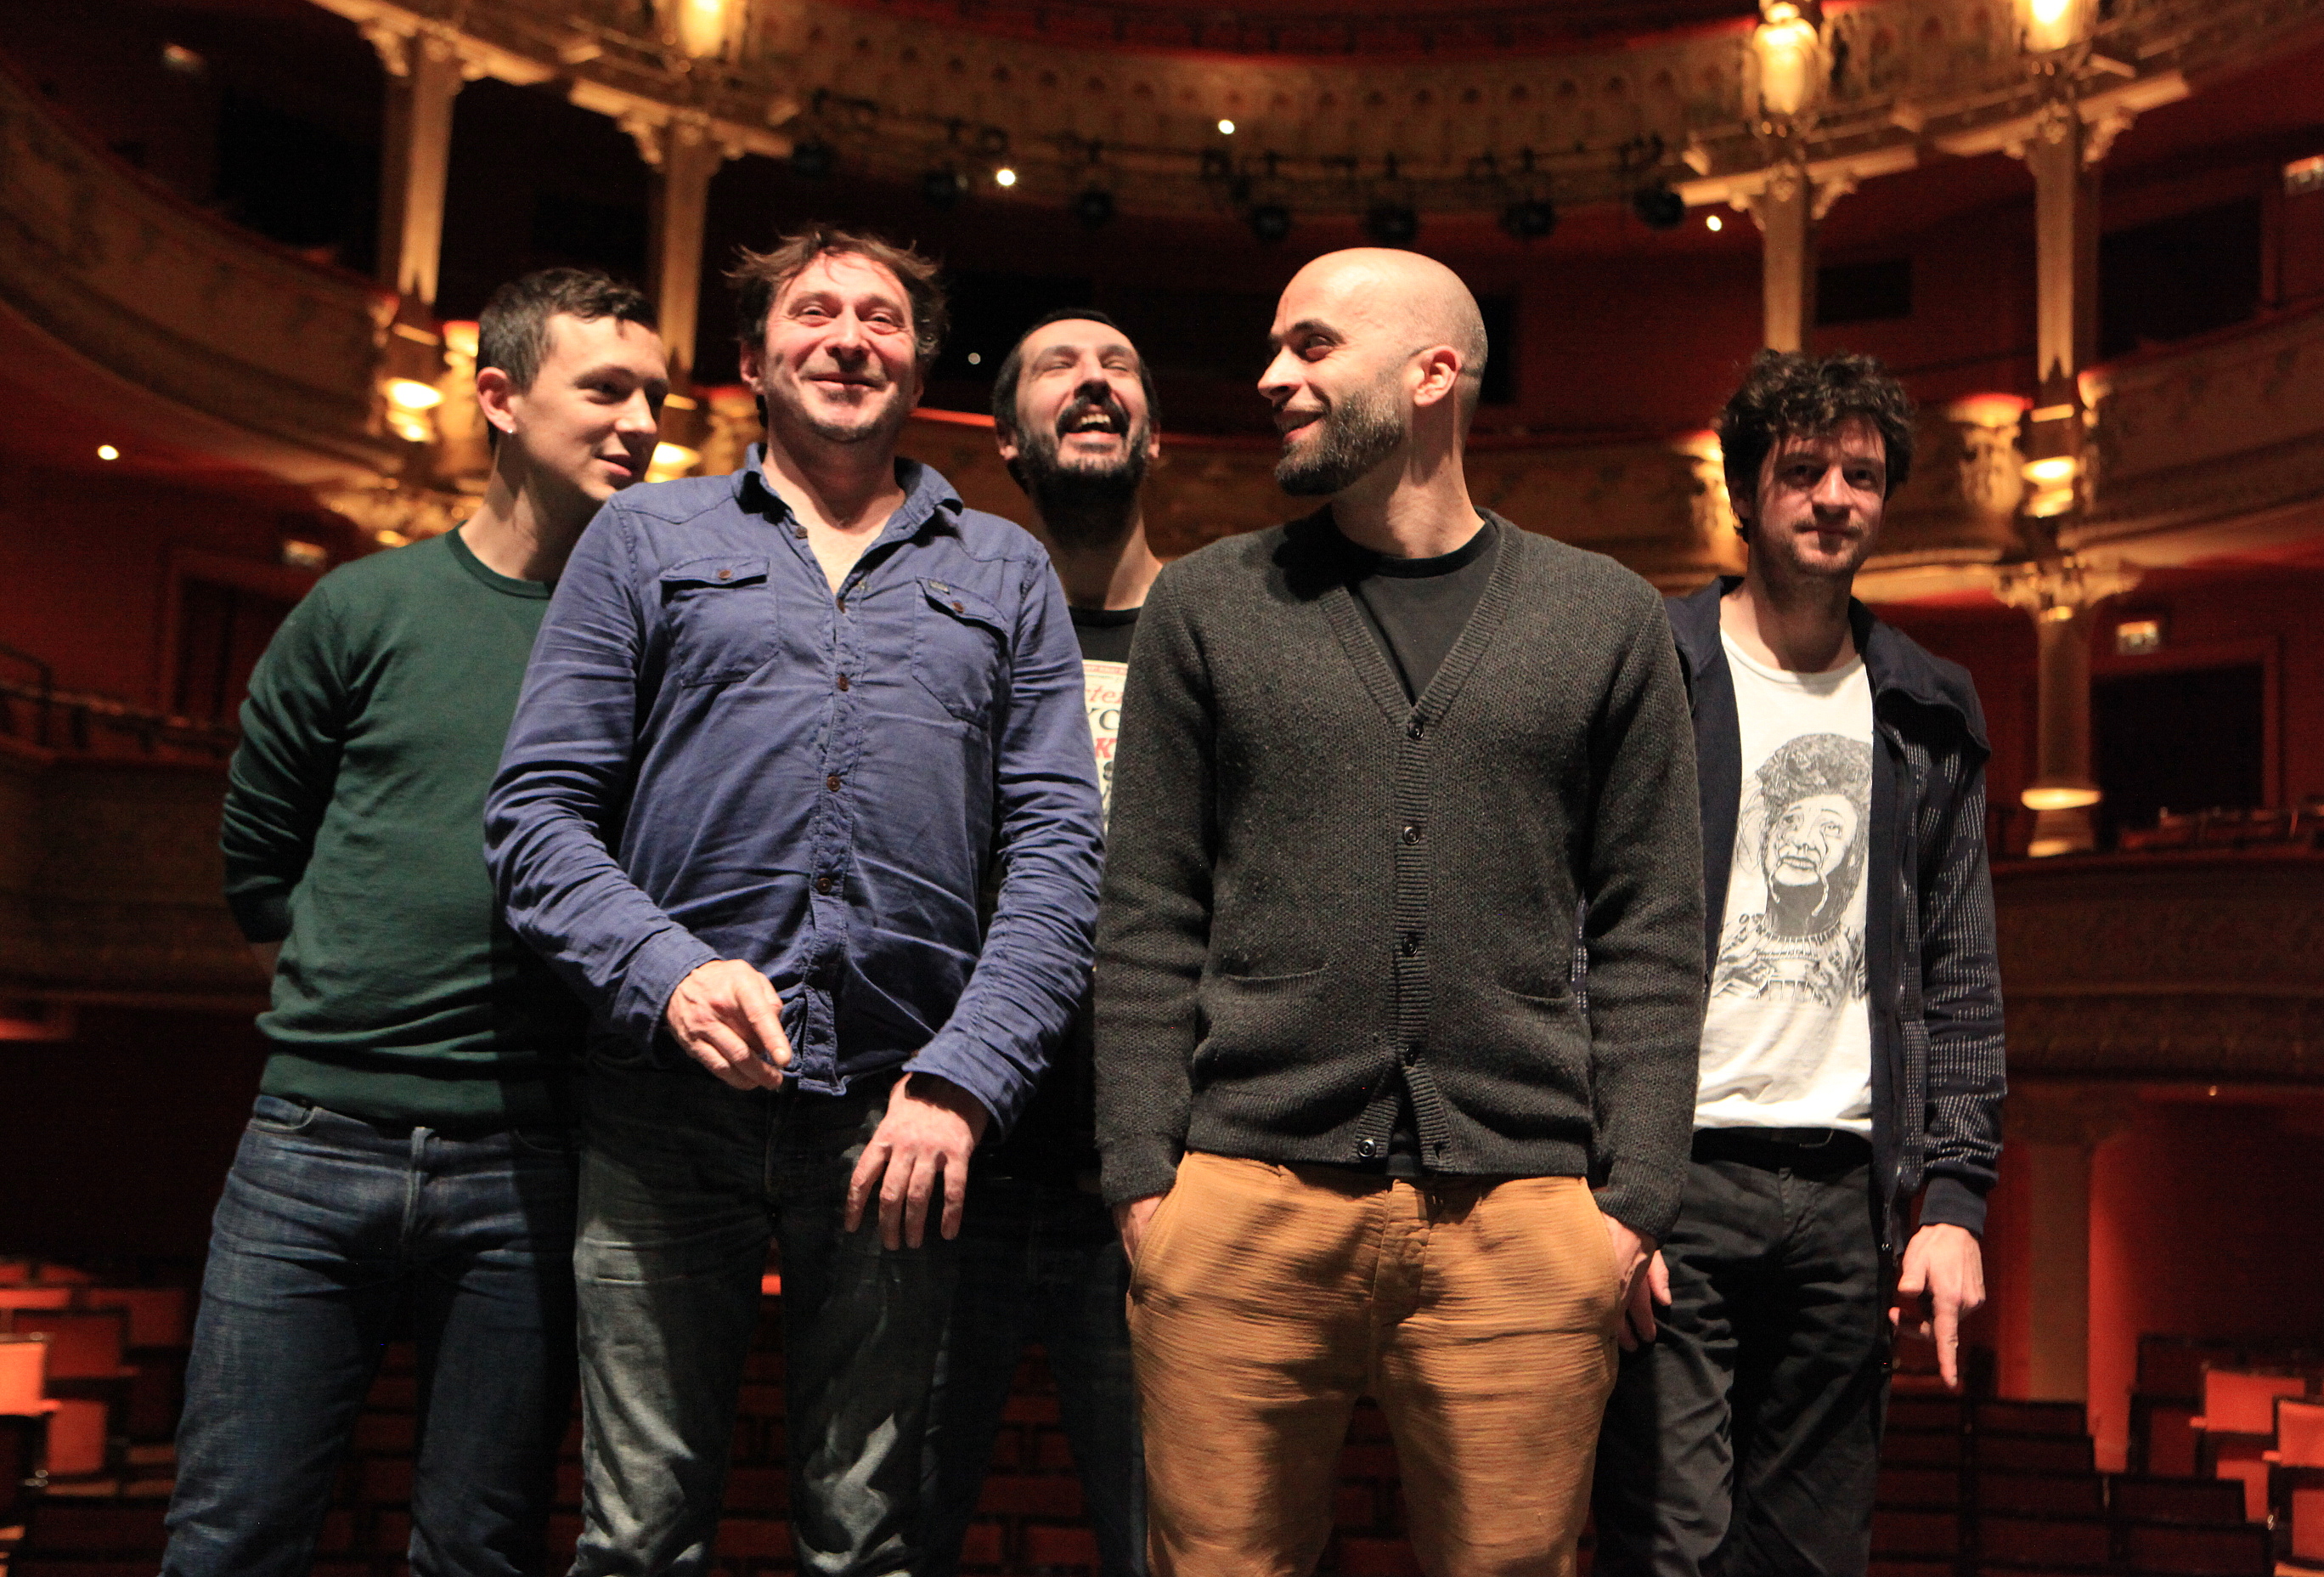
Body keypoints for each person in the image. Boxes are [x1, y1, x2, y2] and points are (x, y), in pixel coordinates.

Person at [483, 226, 1103, 1577]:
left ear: (919, 367)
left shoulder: (1004, 570)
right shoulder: (645, 535)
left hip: (899, 1121)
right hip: (659, 1111)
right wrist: (666, 972)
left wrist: (967, 1078)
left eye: (882, 318)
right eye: (813, 312)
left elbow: (1061, 854)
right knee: (635, 1539)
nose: (848, 337)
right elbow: (535, 816)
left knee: (866, 1544)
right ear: (754, 361)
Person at [1093, 247, 1706, 1577]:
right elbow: (1147, 910)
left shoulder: (1604, 616)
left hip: (1525, 1215)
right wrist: (1146, 1184)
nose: (1273, 377)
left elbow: (1653, 930)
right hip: (1237, 1204)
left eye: (1311, 346)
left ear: (1432, 374)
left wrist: (1631, 1205)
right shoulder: (1207, 606)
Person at [172, 269, 669, 1577]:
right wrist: (356, 1000)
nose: (640, 424)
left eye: (654, 398)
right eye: (606, 390)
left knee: (480, 1550)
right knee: (231, 1538)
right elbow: (259, 860)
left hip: (530, 1157)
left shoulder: (654, 645)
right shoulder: (362, 608)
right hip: (312, 1141)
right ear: (500, 398)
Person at [1591, 349, 2005, 1577]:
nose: (1834, 497)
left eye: (1862, 475)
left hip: (1846, 1195)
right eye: (1804, 470)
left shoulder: (1926, 704)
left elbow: (1958, 969)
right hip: (1674, 1177)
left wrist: (1956, 1204)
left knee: (1812, 1558)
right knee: (1667, 1548)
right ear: (1744, 491)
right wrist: (1599, 1188)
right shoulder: (1654, 669)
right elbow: (1575, 934)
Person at [917, 308, 1163, 1577]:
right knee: (890, 1534)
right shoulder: (949, 629)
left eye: (1119, 365)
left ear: (1154, 435)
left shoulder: (1212, 633)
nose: (1093, 381)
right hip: (952, 1168)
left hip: (1147, 1185)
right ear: (1006, 440)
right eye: (1058, 366)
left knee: (1165, 1545)